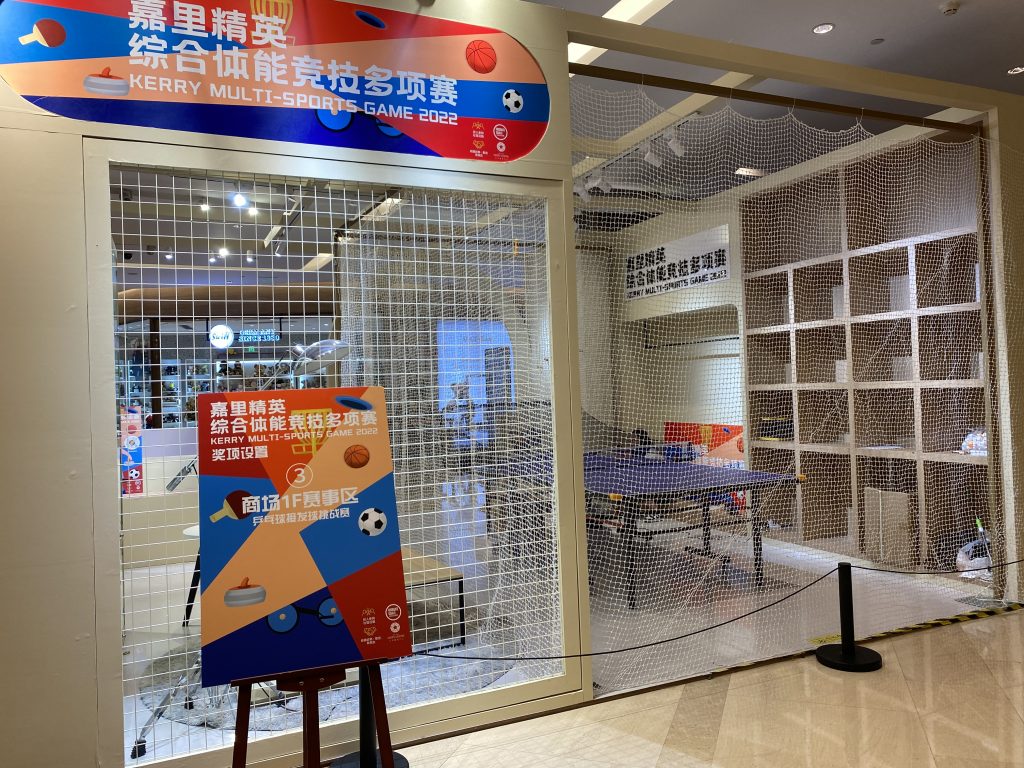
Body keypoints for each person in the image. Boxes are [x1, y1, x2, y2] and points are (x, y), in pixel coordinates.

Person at [442, 380, 477, 470]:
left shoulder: (469, 401)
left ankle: (469, 467)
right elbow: (445, 416)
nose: (461, 391)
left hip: (466, 432)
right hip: (455, 432)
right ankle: (457, 467)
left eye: (463, 389)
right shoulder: (451, 402)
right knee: (457, 450)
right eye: (459, 388)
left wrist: (467, 415)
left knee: (468, 450)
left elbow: (473, 414)